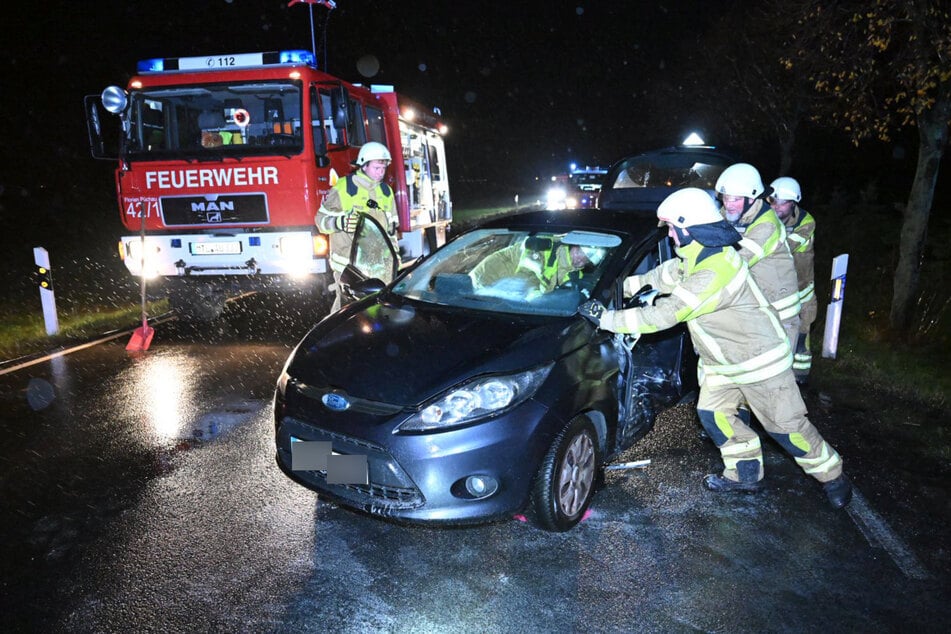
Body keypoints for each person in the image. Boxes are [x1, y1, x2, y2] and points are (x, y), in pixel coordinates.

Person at [577, 188, 852, 508]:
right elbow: (665, 275)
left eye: (670, 228)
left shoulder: (715, 269)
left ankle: (832, 476)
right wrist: (618, 286)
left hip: (758, 362)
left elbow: (667, 313)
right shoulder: (698, 257)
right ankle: (744, 474)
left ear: (688, 228)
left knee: (786, 428)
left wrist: (607, 318)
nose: (668, 234)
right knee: (714, 415)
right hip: (723, 363)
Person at [715, 163, 801, 348]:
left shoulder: (767, 225)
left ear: (752, 198)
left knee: (776, 372)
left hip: (779, 310)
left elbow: (736, 262)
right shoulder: (730, 212)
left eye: (735, 199)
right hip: (755, 306)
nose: (728, 204)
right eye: (725, 198)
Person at [316, 141, 400, 311]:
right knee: (348, 311)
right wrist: (339, 222)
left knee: (377, 311)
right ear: (364, 165)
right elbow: (320, 220)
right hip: (348, 266)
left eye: (383, 168)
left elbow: (391, 230)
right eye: (377, 168)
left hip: (378, 265)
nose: (381, 173)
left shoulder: (386, 192)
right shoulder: (344, 187)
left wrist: (394, 258)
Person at [770, 177, 817, 385]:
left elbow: (784, 248)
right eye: (773, 201)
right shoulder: (764, 219)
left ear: (794, 202)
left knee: (801, 334)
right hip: (774, 290)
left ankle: (801, 376)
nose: (776, 207)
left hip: (801, 291)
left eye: (782, 203)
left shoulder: (806, 222)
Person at [470, 238, 605, 297]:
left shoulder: (574, 275)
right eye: (581, 256)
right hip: (479, 285)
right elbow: (526, 277)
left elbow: (565, 296)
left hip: (501, 298)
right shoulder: (543, 246)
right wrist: (535, 297)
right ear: (576, 246)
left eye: (586, 262)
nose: (581, 263)